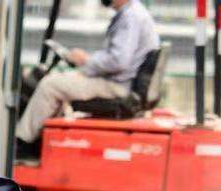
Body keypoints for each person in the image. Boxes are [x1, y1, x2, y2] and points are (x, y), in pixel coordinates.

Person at [16, 0, 159, 154]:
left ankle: (22, 143)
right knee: (62, 80)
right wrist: (87, 66)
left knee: (50, 85)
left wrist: (85, 60)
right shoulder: (134, 12)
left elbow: (118, 61)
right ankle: (43, 140)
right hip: (121, 82)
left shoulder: (130, 17)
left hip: (117, 85)